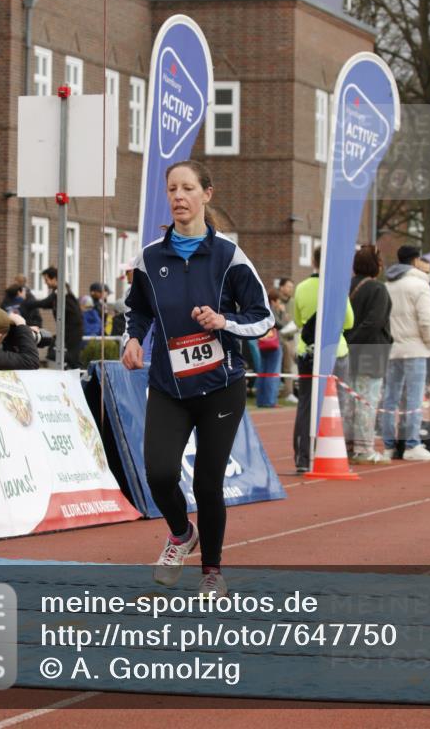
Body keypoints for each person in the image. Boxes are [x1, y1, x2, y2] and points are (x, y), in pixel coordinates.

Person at [121, 160, 273, 598]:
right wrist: (132, 339)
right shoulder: (149, 257)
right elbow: (139, 308)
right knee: (160, 474)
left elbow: (262, 318)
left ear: (208, 194)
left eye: (188, 188)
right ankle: (179, 534)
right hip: (169, 385)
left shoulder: (229, 256)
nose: (178, 197)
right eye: (172, 189)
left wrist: (223, 321)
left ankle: (212, 570)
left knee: (208, 483)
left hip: (220, 386)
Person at [292, 245, 354, 474]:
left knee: (306, 403)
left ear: (314, 262)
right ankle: (331, 452)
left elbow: (298, 320)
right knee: (336, 404)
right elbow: (348, 321)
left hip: (307, 350)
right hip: (335, 350)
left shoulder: (301, 287)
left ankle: (302, 456)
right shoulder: (337, 288)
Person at [382, 245, 430, 461]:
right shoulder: (420, 285)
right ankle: (412, 443)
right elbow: (426, 319)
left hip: (392, 347)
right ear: (416, 261)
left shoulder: (387, 285)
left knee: (391, 398)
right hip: (415, 347)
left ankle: (388, 445)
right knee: (414, 398)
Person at [344, 245, 392, 464]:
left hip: (346, 351)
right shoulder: (378, 289)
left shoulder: (347, 286)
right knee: (366, 400)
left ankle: (347, 444)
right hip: (371, 351)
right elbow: (375, 321)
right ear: (376, 265)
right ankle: (364, 447)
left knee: (348, 400)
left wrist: (347, 341)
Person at [27, 267, 83, 369]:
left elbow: (45, 302)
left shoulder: (61, 291)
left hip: (73, 330)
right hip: (67, 329)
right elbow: (48, 304)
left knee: (72, 358)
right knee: (65, 355)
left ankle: (78, 379)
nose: (45, 283)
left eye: (46, 280)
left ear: (54, 279)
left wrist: (29, 303)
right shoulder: (59, 291)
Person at [255, 288, 285, 408]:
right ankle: (270, 401)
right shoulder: (272, 311)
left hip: (263, 344)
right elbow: (280, 325)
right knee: (272, 373)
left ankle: (261, 400)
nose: (280, 304)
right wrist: (281, 312)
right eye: (279, 301)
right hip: (274, 345)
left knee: (263, 372)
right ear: (273, 301)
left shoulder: (263, 309)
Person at [277, 277, 297, 400]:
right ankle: (274, 392)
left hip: (289, 338)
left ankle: (288, 392)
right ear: (282, 287)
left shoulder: (293, 302)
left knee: (288, 366)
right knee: (273, 366)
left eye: (292, 287)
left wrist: (286, 316)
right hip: (276, 338)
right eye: (289, 286)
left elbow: (293, 321)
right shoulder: (276, 301)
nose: (291, 289)